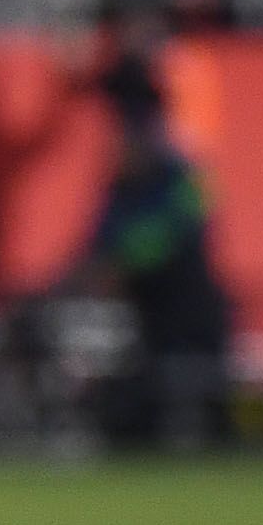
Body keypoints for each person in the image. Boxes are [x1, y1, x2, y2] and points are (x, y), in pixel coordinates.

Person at [68, 47, 232, 448]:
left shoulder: (181, 178)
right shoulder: (123, 187)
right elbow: (95, 249)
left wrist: (114, 263)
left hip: (186, 326)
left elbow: (173, 236)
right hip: (143, 328)